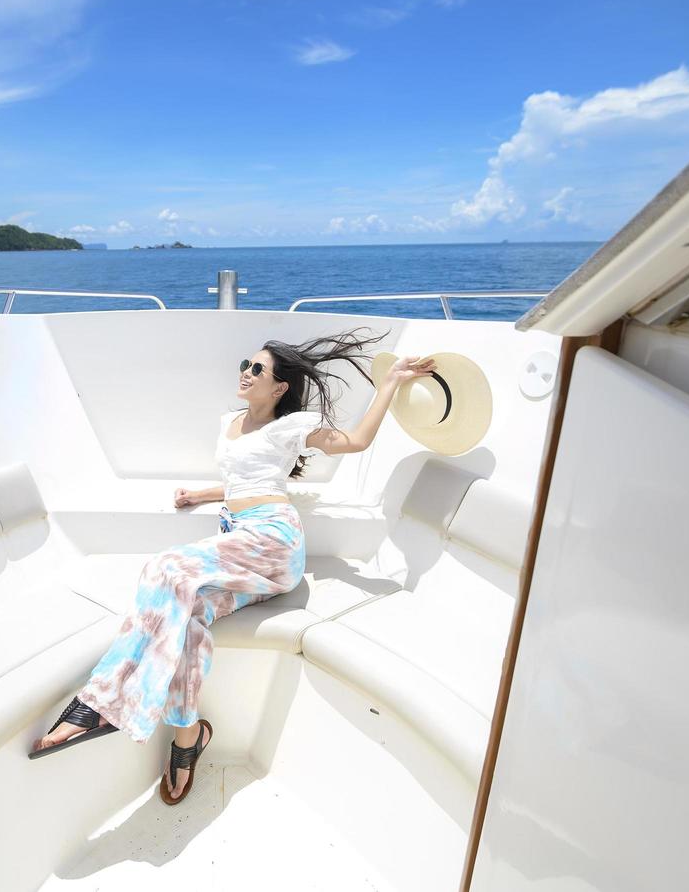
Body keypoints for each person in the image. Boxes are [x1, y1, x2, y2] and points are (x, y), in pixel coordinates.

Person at [28, 328, 438, 804]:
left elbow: (358, 441)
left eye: (257, 369)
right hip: (239, 541)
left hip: (273, 542)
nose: (245, 373)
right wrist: (198, 495)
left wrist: (392, 382)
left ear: (279, 387)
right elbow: (241, 479)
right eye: (245, 365)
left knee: (166, 568)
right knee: (189, 616)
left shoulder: (292, 425)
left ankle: (101, 701)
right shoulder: (230, 422)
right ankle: (189, 740)